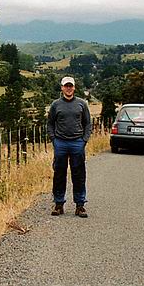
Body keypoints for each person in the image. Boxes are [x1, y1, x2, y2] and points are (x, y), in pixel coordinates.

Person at [47, 76, 92, 218]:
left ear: (74, 87)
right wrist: (54, 139)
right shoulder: (55, 105)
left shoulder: (82, 104)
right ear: (61, 88)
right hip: (60, 143)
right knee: (59, 173)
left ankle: (80, 205)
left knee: (78, 174)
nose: (68, 88)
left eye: (70, 86)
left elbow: (87, 123)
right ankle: (58, 204)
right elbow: (50, 124)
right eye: (66, 86)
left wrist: (84, 140)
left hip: (77, 143)